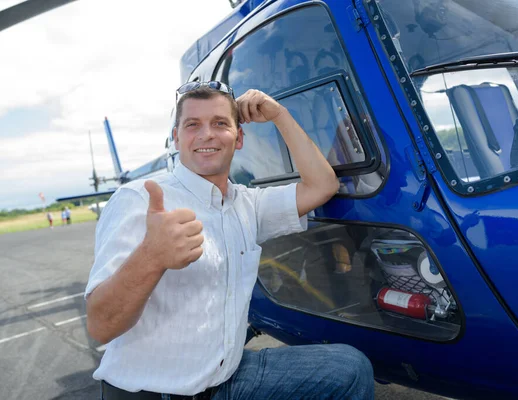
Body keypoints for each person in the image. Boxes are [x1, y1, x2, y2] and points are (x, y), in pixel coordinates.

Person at [85, 82, 375, 400]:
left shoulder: (245, 203)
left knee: (350, 367)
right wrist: (151, 257)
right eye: (192, 125)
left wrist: (280, 115)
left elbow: (321, 185)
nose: (207, 134)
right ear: (176, 138)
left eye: (220, 123)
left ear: (238, 139)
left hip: (225, 378)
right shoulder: (139, 199)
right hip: (155, 392)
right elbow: (101, 326)